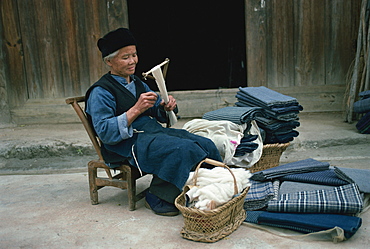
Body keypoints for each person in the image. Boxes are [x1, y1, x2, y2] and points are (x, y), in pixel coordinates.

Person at [85, 28, 222, 216]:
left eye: (134, 55)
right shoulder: (101, 91)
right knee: (181, 149)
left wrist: (167, 107)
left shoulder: (138, 83)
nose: (133, 61)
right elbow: (105, 132)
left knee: (204, 143)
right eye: (125, 57)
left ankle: (214, 190)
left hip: (151, 132)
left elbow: (159, 110)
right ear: (109, 61)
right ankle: (157, 196)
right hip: (126, 143)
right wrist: (136, 109)